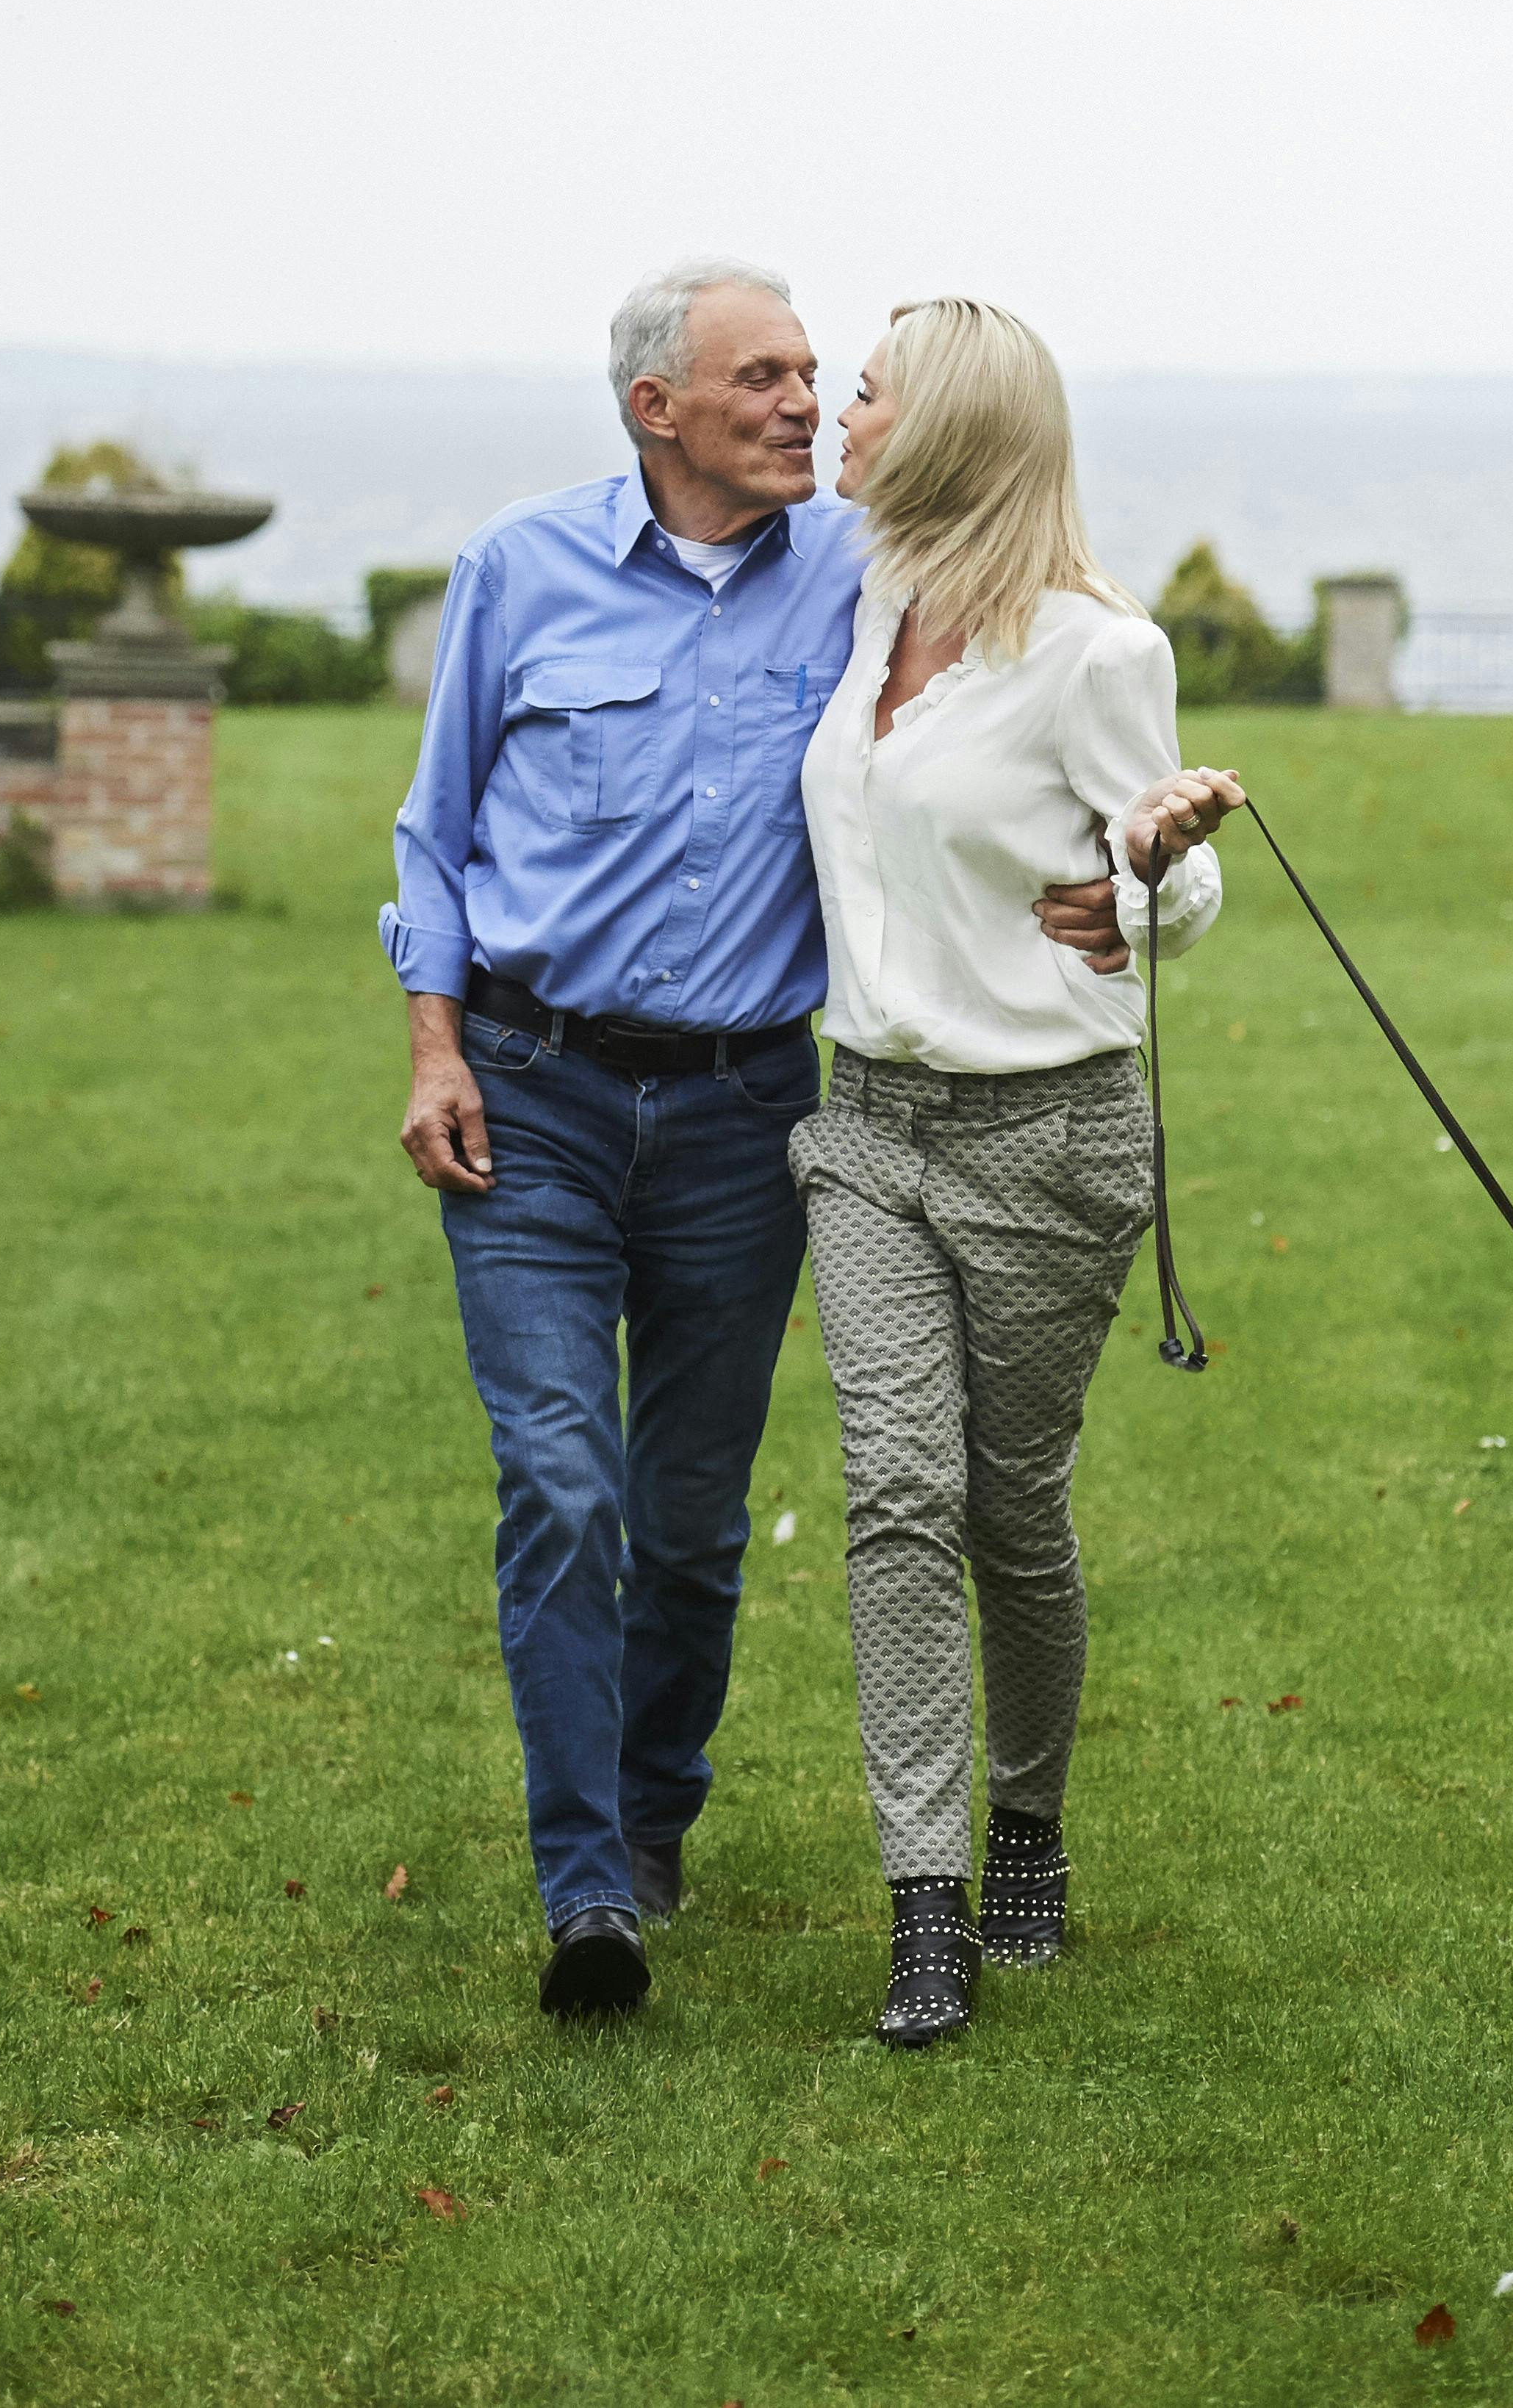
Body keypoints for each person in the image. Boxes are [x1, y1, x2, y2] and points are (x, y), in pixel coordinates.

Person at [381, 258, 1131, 2020]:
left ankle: (657, 1814)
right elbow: (430, 830)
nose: (805, 402)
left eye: (818, 376)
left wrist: (1145, 876)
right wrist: (433, 1042)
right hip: (532, 1090)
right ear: (656, 407)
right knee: (562, 1482)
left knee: (696, 1516)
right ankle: (591, 1892)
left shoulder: (868, 581)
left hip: (746, 1113)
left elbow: (1052, 663)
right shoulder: (519, 569)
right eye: (764, 378)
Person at [790, 296, 1243, 2046]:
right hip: (867, 1126)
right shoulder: (870, 600)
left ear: (955, 430)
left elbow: (1171, 883)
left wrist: (1142, 876)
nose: (843, 404)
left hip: (1047, 1133)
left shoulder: (1093, 651)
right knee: (896, 1492)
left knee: (1006, 1506)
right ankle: (925, 1905)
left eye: (872, 387)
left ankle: (1028, 1824)